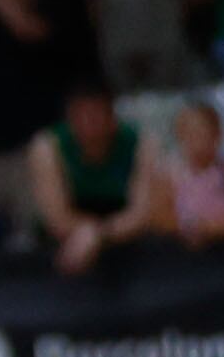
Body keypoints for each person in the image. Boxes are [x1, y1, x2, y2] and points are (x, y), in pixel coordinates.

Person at [32, 76, 151, 276]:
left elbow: (142, 214)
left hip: (125, 245)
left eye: (96, 115)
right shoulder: (47, 146)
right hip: (63, 248)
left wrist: (98, 233)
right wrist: (88, 232)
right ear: (69, 117)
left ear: (112, 115)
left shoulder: (140, 143)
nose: (89, 124)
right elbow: (56, 218)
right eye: (81, 116)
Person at [151, 97, 224, 246]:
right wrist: (190, 228)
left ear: (217, 135)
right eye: (187, 133)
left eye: (200, 133)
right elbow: (159, 219)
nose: (194, 141)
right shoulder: (170, 175)